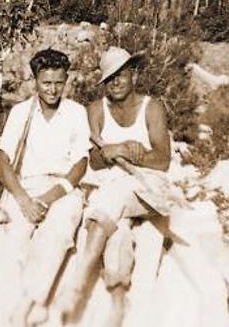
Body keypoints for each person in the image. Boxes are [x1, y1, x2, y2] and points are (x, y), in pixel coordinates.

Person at [57, 46, 174, 319]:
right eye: (110, 78)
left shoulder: (151, 107)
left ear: (134, 75)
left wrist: (134, 154)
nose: (117, 82)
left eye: (122, 75)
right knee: (118, 229)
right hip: (110, 188)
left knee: (112, 200)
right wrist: (114, 150)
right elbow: (93, 161)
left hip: (146, 189)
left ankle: (77, 285)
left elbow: (163, 160)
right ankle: (119, 304)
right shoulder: (96, 110)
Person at [0, 48, 91, 325]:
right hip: (24, 187)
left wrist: (48, 199)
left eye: (59, 83)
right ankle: (10, 311)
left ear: (66, 80)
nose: (52, 89)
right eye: (46, 83)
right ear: (35, 80)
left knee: (58, 233)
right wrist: (24, 200)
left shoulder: (76, 112)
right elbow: (3, 160)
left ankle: (30, 306)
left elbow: (80, 165)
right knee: (15, 239)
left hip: (62, 189)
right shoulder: (20, 112)